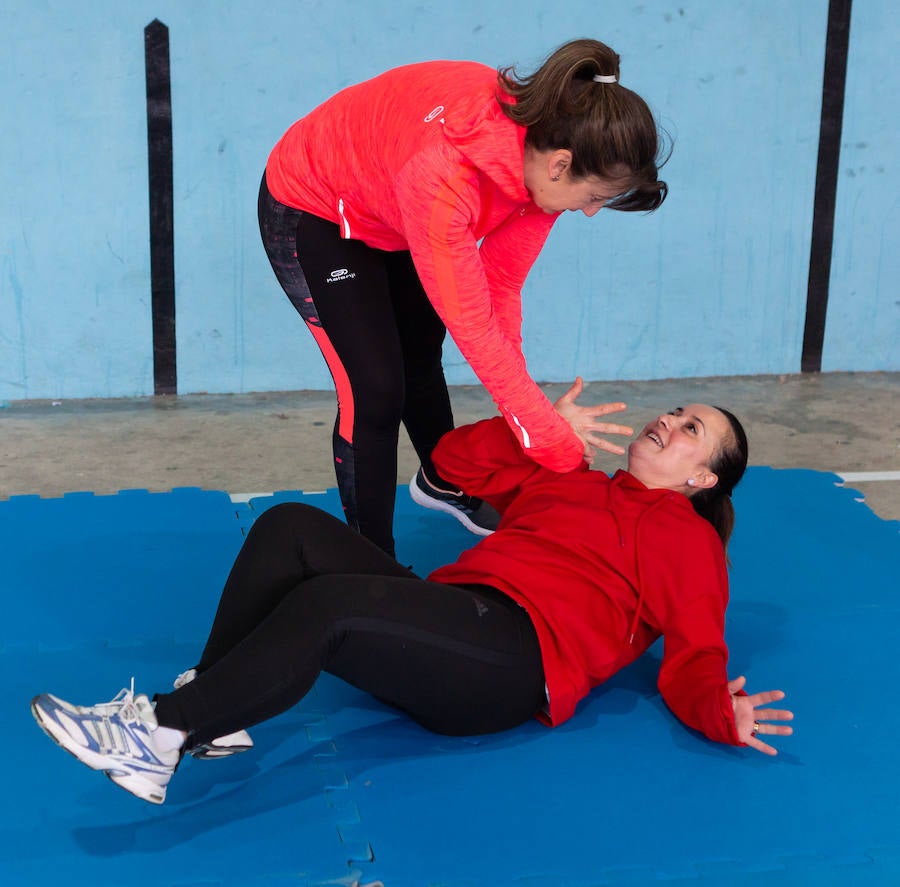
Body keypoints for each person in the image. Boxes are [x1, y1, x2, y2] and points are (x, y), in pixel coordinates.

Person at [31, 387, 793, 805]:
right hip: (456, 617)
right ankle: (215, 706)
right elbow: (452, 463)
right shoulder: (572, 476)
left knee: (327, 606)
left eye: (691, 429)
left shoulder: (685, 538)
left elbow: (698, 645)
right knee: (290, 527)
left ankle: (161, 732)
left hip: (511, 661)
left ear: (702, 478)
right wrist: (534, 429)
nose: (669, 420)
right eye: (676, 410)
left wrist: (718, 712)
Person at [259, 38, 669, 555]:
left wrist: (530, 420)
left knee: (419, 353)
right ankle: (368, 563)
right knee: (375, 389)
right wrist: (553, 444)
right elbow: (474, 328)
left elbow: (500, 290)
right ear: (561, 166)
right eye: (593, 198)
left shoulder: (548, 157)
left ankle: (443, 480)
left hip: (392, 203)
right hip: (317, 207)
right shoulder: (445, 175)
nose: (589, 212)